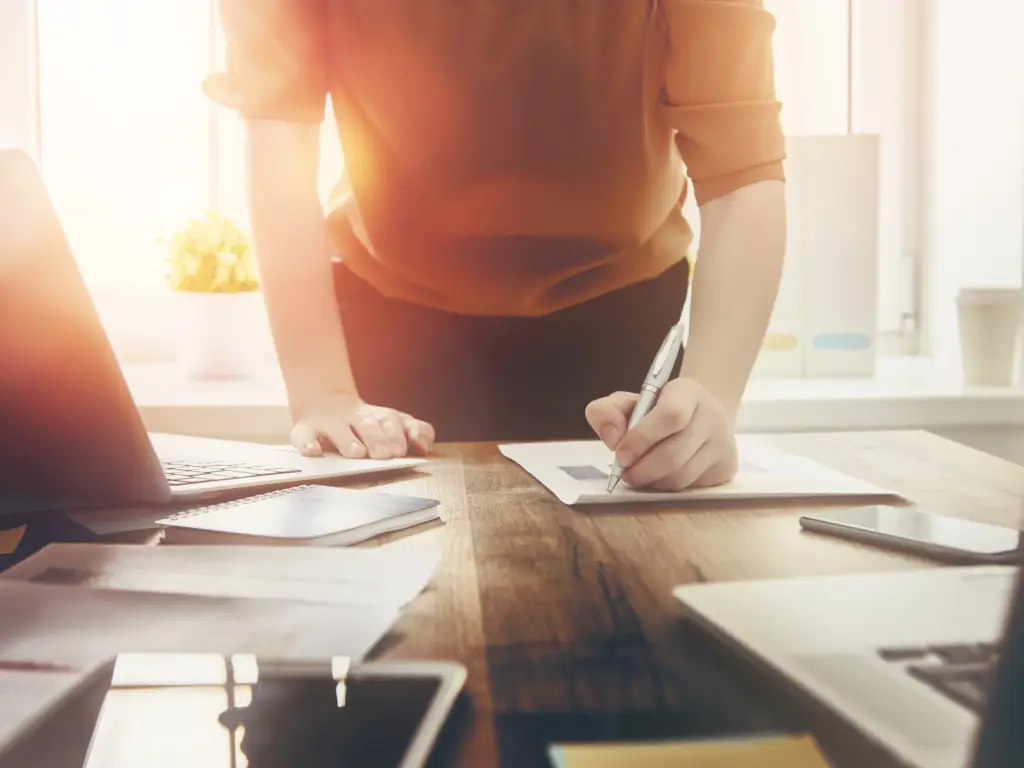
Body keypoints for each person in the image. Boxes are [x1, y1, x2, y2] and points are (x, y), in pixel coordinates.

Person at [205, 0, 786, 491]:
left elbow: (742, 169)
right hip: (390, 323)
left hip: (622, 319)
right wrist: (322, 393)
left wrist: (712, 396)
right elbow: (278, 133)